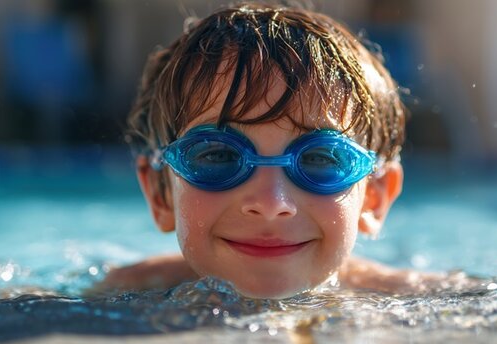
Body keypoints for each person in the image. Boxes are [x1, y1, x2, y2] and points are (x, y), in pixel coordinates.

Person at [98, 3, 472, 299]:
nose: (271, 201)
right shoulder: (120, 291)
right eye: (217, 155)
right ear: (161, 194)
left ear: (373, 198)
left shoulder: (426, 299)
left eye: (320, 158)